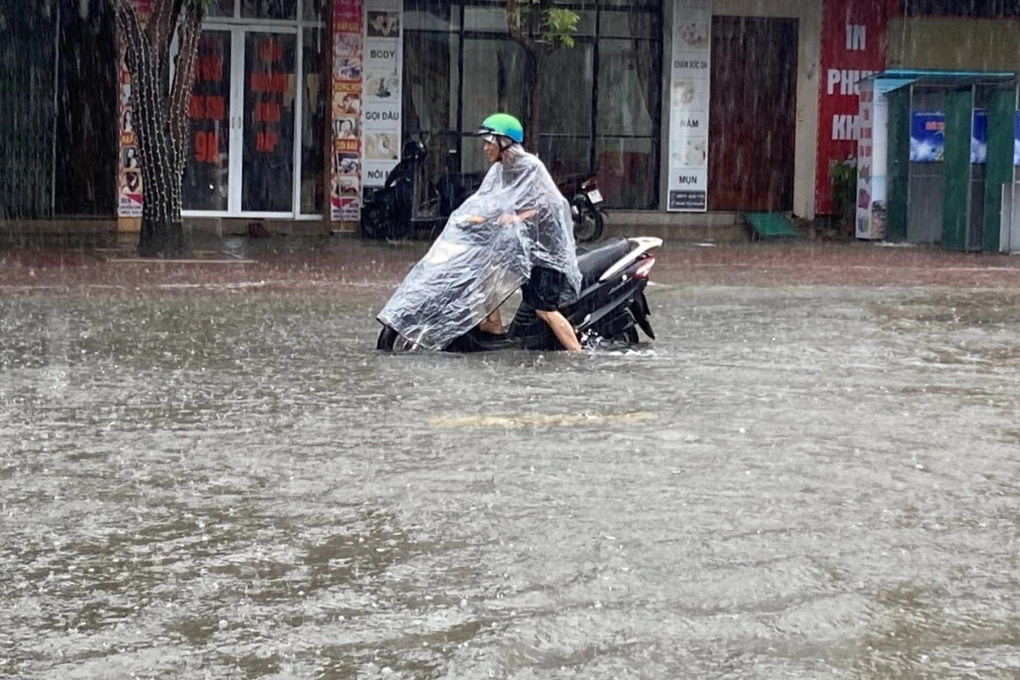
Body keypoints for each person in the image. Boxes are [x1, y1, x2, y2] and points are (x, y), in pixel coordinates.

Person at [469, 113, 583, 352]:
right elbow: (493, 201)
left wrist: (515, 217)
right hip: (524, 250)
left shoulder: (531, 167)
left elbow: (548, 205)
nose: (485, 148)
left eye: (489, 142)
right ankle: (494, 326)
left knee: (544, 309)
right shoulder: (501, 170)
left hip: (547, 252)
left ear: (505, 142)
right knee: (486, 269)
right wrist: (478, 218)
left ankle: (578, 355)